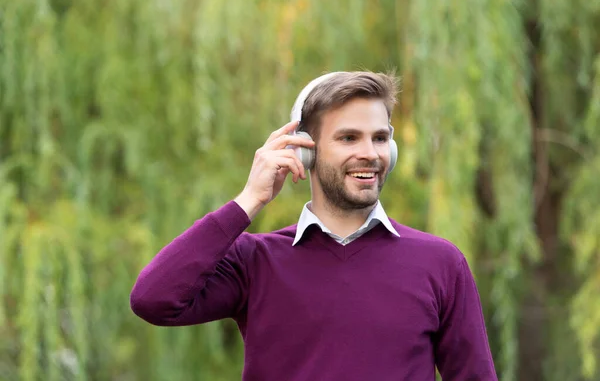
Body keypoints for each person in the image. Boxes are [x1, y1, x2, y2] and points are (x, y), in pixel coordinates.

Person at [130, 71, 498, 381]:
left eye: (380, 138)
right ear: (305, 150)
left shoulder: (441, 263)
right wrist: (248, 201)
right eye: (349, 137)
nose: (370, 153)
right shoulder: (254, 261)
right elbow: (153, 300)